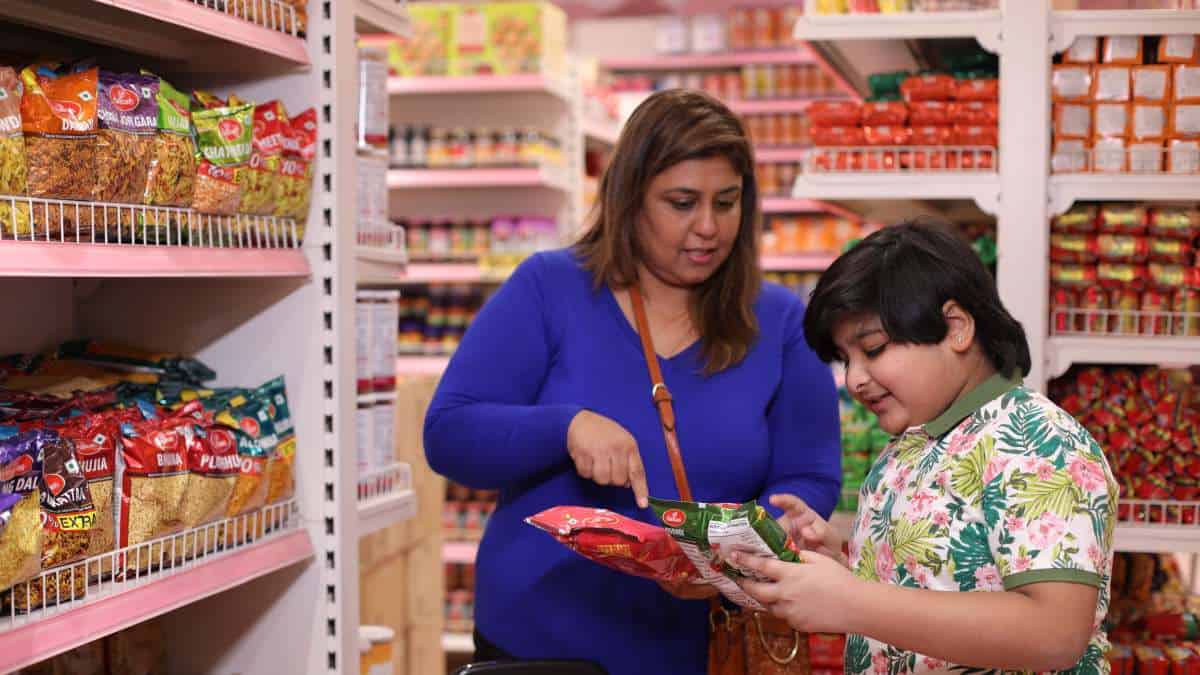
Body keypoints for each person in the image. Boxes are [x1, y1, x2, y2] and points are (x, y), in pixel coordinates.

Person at [422, 89, 841, 675]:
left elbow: (809, 473)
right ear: (630, 198)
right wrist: (565, 426)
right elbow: (449, 434)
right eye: (681, 202)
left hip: (701, 647)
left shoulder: (776, 321)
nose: (708, 227)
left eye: (727, 202)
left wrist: (735, 555)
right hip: (540, 645)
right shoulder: (549, 288)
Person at [731, 220, 1118, 674]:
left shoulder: (1035, 442)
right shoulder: (911, 446)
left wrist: (853, 600)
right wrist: (841, 568)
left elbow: (1055, 632)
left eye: (872, 349)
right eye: (846, 358)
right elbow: (935, 589)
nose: (854, 378)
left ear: (955, 327)